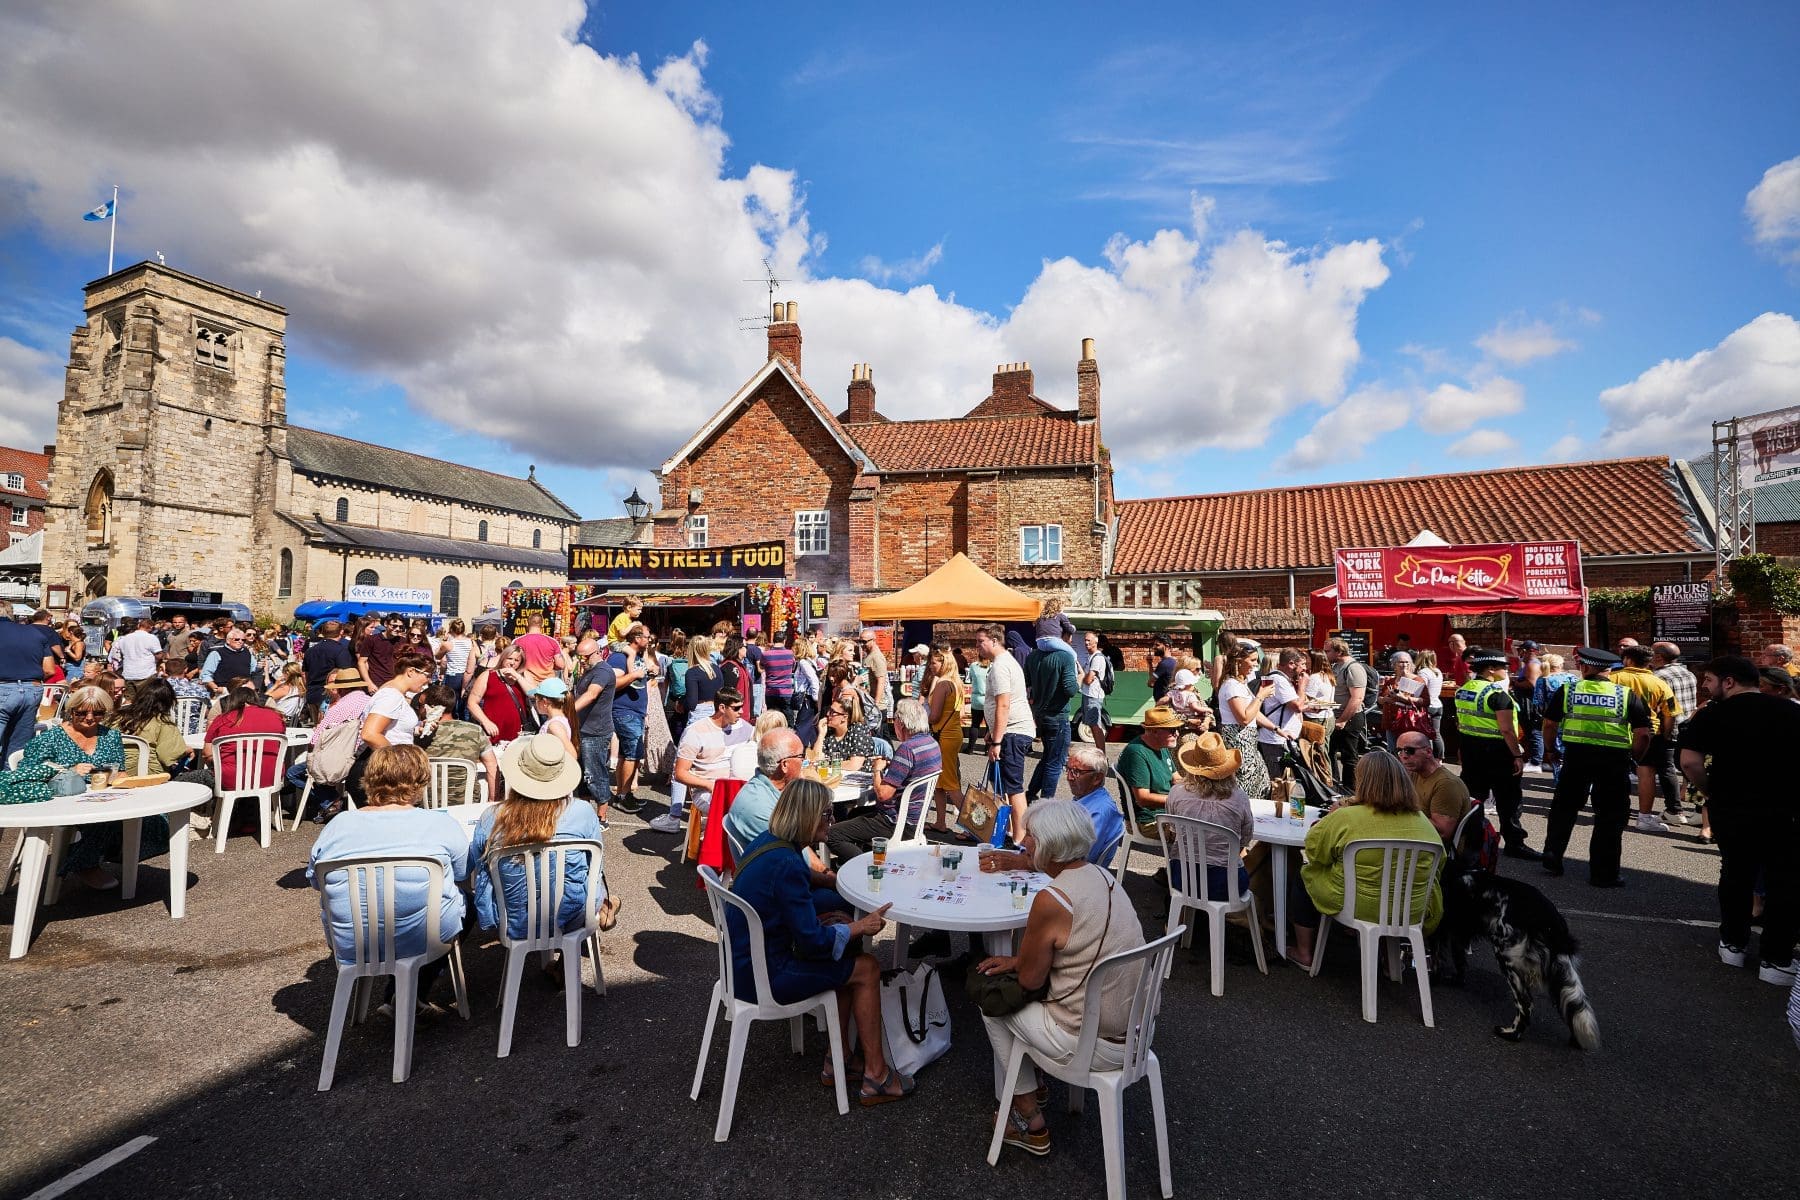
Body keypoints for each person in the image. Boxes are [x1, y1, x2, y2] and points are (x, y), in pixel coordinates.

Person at [975, 799, 1145, 1156]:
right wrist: (1018, 960)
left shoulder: (1053, 898)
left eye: (1032, 837)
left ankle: (1027, 1116)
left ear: (1051, 845)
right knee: (1009, 984)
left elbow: (1031, 982)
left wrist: (1018, 965)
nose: (1025, 844)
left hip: (1092, 1043)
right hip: (1137, 1033)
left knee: (992, 1002)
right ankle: (1033, 1085)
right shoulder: (1102, 875)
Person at [729, 778, 909, 1104]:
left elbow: (797, 887)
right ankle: (877, 1077)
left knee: (842, 941)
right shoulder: (786, 865)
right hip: (766, 978)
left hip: (742, 964)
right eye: (827, 814)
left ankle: (837, 1058)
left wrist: (829, 881)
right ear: (809, 817)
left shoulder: (770, 842)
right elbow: (812, 943)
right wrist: (859, 927)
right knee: (866, 968)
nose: (833, 821)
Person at [307, 744, 468, 1014]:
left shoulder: (337, 826)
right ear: (421, 780)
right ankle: (408, 993)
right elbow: (463, 872)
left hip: (351, 940)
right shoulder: (440, 824)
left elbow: (316, 881)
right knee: (467, 903)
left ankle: (398, 994)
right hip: (421, 939)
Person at [1680, 655, 1800, 984]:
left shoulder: (1711, 715)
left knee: (1736, 874)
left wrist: (1710, 790)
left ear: (1729, 681)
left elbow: (1690, 763)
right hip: (1783, 809)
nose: (1704, 685)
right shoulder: (1791, 710)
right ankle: (1776, 960)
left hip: (1732, 807)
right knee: (1784, 880)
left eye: (1708, 679)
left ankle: (1732, 944)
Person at [1287, 751, 1443, 970]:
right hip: (1410, 909)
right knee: (1392, 887)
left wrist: (1331, 818)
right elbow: (1438, 866)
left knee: (1304, 876)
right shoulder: (1425, 824)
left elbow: (1314, 851)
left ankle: (1304, 953)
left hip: (1357, 905)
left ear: (1363, 781)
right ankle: (1390, 961)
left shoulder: (1347, 817)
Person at [472, 733, 613, 973]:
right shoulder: (582, 812)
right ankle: (605, 908)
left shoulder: (491, 818)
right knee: (592, 879)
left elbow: (474, 868)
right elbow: (594, 868)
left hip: (515, 919)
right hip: (572, 915)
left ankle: (606, 907)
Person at [0, 686, 162, 890]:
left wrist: (116, 776)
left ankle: (88, 855)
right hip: (61, 800)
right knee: (103, 819)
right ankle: (84, 864)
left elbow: (120, 771)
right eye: (82, 712)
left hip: (100, 797)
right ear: (71, 710)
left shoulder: (110, 736)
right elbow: (28, 771)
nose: (90, 718)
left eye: (98, 713)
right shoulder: (51, 738)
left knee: (156, 820)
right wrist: (69, 770)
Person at [1540, 647, 1651, 887]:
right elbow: (1643, 733)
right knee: (1610, 816)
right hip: (1614, 762)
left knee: (1564, 808)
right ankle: (1604, 873)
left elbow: (1549, 724)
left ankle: (1552, 855)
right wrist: (1635, 757)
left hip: (1576, 757)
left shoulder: (1568, 690)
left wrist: (1550, 750)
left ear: (1586, 667)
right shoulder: (1626, 694)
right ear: (1609, 670)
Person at [1454, 647, 1540, 860]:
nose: (1508, 671)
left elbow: (1461, 722)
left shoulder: (1464, 689)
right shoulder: (1497, 694)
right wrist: (1517, 756)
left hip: (1471, 749)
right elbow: (1507, 730)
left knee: (1473, 799)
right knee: (1509, 800)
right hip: (1497, 753)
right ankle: (1514, 843)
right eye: (1504, 667)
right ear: (1491, 669)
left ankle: (1470, 839)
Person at [829, 698, 939, 863]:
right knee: (853, 814)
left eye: (894, 719)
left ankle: (865, 866)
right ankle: (859, 857)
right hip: (916, 819)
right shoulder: (931, 743)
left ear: (901, 723)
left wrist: (877, 768)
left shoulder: (907, 749)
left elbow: (883, 795)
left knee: (831, 834)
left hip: (897, 822)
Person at [1164, 732, 1255, 896]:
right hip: (1226, 883)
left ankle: (1187, 916)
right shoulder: (1239, 797)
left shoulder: (1176, 793)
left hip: (1182, 877)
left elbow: (1174, 831)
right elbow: (1244, 840)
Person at [661, 687, 753, 834]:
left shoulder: (745, 728)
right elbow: (680, 773)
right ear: (722, 708)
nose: (741, 712)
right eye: (736, 708)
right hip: (707, 791)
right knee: (738, 808)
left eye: (741, 707)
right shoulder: (695, 732)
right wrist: (710, 785)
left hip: (737, 787)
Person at [1609, 644, 1679, 833]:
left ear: (1628, 660)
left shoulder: (1612, 678)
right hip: (1648, 733)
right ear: (1648, 662)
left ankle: (1613, 812)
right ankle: (1644, 817)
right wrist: (1664, 736)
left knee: (1614, 773)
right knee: (1646, 773)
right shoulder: (1659, 683)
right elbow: (1671, 713)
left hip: (1615, 731)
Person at [977, 623, 1035, 834]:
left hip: (1013, 732)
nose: (978, 647)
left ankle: (1021, 838)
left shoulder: (1001, 665)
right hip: (1008, 731)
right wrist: (992, 731)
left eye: (980, 641)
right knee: (1001, 785)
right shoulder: (1003, 662)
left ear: (994, 641)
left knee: (1013, 788)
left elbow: (1003, 703)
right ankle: (1009, 832)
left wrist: (998, 740)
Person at [722, 728, 808, 850]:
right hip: (776, 866)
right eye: (801, 756)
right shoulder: (760, 807)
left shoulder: (770, 790)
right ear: (784, 765)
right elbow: (795, 851)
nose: (804, 761)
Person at [605, 623, 657, 814]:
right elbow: (613, 682)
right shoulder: (619, 657)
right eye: (647, 637)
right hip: (624, 711)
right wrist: (634, 674)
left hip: (635, 712)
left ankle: (623, 794)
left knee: (627, 755)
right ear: (636, 638)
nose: (649, 640)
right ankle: (623, 796)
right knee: (632, 754)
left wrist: (650, 672)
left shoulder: (638, 656)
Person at [417, 683, 498, 803]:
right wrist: (492, 801)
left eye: (420, 705)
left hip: (427, 803)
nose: (418, 709)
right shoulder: (475, 731)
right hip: (467, 803)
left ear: (432, 708)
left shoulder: (419, 735)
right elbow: (492, 766)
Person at [1025, 632, 1078, 806]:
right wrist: (1079, 680)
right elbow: (1070, 689)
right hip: (1058, 715)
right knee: (1056, 762)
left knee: (1047, 757)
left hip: (1040, 714)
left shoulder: (1033, 655)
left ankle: (1031, 793)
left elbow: (1027, 681)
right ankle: (1047, 804)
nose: (1071, 639)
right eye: (1070, 635)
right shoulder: (1065, 657)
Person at [1394, 730, 1473, 844]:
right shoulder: (1416, 772)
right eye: (1399, 751)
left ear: (1428, 752)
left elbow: (1443, 832)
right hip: (1419, 839)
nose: (1403, 756)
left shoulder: (1446, 784)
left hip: (1435, 849)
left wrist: (1403, 817)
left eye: (1409, 751)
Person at [569, 632, 617, 814]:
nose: (581, 660)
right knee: (583, 775)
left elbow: (591, 694)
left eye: (584, 657)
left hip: (596, 731)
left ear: (597, 653)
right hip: (583, 729)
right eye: (578, 657)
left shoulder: (603, 672)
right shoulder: (589, 670)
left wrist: (568, 713)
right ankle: (585, 813)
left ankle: (602, 816)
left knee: (595, 774)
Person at [0, 610, 54, 766]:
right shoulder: (35, 633)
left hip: (3, 687)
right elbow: (50, 669)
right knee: (17, 749)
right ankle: (11, 784)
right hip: (32, 688)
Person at [1117, 704, 1182, 834]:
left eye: (1177, 729)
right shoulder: (1136, 753)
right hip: (1148, 821)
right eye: (1172, 730)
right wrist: (1180, 801)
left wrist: (1198, 791)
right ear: (1154, 731)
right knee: (1205, 834)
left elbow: (1176, 779)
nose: (1177, 733)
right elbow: (1143, 799)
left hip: (1168, 813)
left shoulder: (1161, 745)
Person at [924, 644, 966, 835]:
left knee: (950, 783)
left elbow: (934, 716)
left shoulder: (943, 685)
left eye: (933, 663)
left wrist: (922, 713)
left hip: (944, 736)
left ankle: (974, 827)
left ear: (943, 663)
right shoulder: (955, 682)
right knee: (939, 782)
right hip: (952, 733)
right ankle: (940, 821)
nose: (930, 666)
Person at [117, 677, 196, 777]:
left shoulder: (117, 716)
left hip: (116, 773)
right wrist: (185, 750)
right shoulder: (163, 721)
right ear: (169, 701)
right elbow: (167, 756)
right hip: (150, 775)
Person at [1325, 637, 1373, 786]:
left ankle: (1350, 790)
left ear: (1339, 652)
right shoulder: (1336, 666)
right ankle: (1334, 787)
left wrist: (1343, 720)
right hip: (1337, 717)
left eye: (1328, 651)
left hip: (1350, 718)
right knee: (1330, 753)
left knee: (1349, 757)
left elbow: (1357, 698)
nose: (1325, 654)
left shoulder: (1353, 668)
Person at [467, 644, 531, 750]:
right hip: (494, 730)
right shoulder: (488, 675)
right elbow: (472, 703)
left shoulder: (523, 676)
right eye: (509, 658)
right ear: (503, 658)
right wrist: (485, 722)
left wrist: (518, 677)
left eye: (516, 660)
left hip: (518, 732)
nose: (512, 663)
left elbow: (533, 694)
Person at [811, 693, 876, 772]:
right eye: (829, 710)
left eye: (832, 712)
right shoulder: (829, 732)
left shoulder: (858, 730)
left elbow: (854, 765)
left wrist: (826, 763)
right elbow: (815, 759)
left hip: (856, 778)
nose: (828, 714)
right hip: (833, 776)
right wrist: (821, 734)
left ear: (844, 717)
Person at [513, 613, 567, 691]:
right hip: (548, 684)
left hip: (527, 684)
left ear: (527, 623)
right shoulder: (552, 641)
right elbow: (561, 665)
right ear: (542, 624)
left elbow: (513, 662)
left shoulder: (517, 641)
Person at [1076, 632, 1111, 750]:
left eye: (1089, 640)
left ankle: (1102, 754)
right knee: (1093, 725)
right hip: (1089, 694)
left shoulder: (1098, 658)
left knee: (1095, 726)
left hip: (1093, 696)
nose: (1086, 643)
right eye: (1085, 640)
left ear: (1096, 642)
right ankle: (1100, 752)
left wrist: (1082, 677)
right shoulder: (1091, 656)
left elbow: (1089, 679)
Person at [530, 677, 579, 759]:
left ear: (545, 702)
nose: (535, 704)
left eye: (536, 699)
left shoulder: (554, 726)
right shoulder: (556, 719)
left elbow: (572, 755)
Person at [199, 626, 255, 697]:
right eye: (237, 639)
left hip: (244, 690)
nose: (240, 642)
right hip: (224, 690)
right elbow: (206, 674)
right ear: (228, 640)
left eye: (243, 640)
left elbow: (253, 670)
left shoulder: (247, 653)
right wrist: (216, 688)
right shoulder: (217, 653)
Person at [435, 619, 474, 712]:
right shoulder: (471, 642)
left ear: (451, 630)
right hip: (466, 675)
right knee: (463, 703)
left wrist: (442, 642)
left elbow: (438, 656)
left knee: (450, 703)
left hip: (452, 675)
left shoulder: (448, 644)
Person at [109, 616, 162, 682]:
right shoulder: (151, 637)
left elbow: (118, 655)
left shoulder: (123, 639)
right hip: (147, 675)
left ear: (138, 625)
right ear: (151, 627)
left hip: (128, 674)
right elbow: (158, 655)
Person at [356, 614, 401, 691]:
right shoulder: (372, 640)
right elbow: (361, 662)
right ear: (386, 624)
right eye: (394, 626)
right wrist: (369, 683)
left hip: (396, 684)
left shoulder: (402, 641)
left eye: (400, 627)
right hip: (377, 684)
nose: (398, 629)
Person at [967, 650, 988, 745]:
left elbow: (970, 679)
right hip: (988, 699)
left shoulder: (973, 666)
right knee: (990, 726)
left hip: (977, 698)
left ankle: (970, 748)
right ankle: (987, 749)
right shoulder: (992, 666)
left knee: (975, 724)